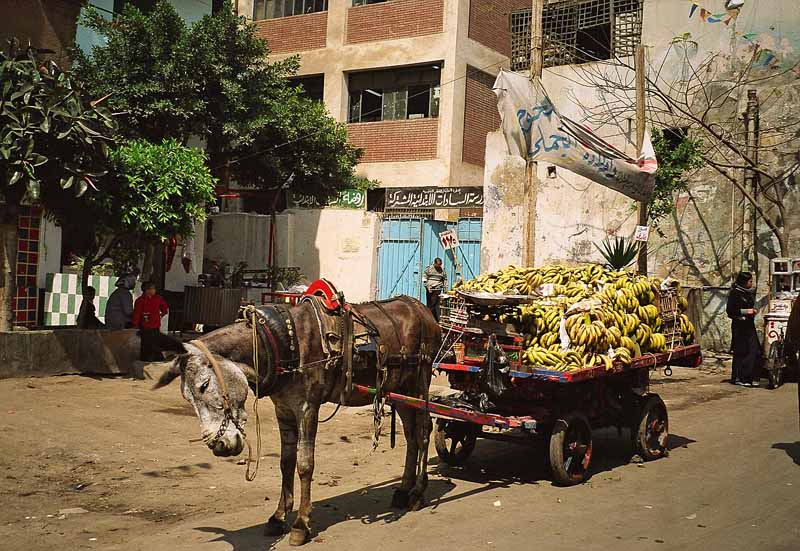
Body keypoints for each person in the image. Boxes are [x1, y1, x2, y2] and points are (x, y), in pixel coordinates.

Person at [726, 271, 760, 387]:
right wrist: (746, 311)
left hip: (749, 326)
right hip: (739, 327)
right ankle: (739, 378)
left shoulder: (747, 293)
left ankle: (749, 377)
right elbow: (730, 311)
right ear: (744, 282)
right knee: (741, 351)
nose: (751, 283)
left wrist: (753, 311)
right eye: (750, 281)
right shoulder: (735, 293)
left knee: (754, 350)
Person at [133, 281, 169, 362]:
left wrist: (160, 316)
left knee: (155, 342)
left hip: (155, 325)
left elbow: (165, 309)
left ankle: (157, 358)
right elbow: (137, 313)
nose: (154, 290)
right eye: (152, 289)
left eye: (154, 289)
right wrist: (135, 325)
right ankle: (146, 358)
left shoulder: (158, 298)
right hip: (144, 325)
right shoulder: (140, 300)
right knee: (146, 343)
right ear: (146, 290)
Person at [423, 257, 447, 322]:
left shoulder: (442, 270)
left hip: (437, 289)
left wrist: (445, 288)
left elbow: (445, 279)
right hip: (430, 288)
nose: (439, 266)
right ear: (434, 263)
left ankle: (432, 319)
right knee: (429, 303)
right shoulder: (429, 269)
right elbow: (424, 278)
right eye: (438, 265)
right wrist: (427, 286)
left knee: (434, 303)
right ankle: (430, 318)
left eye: (440, 265)